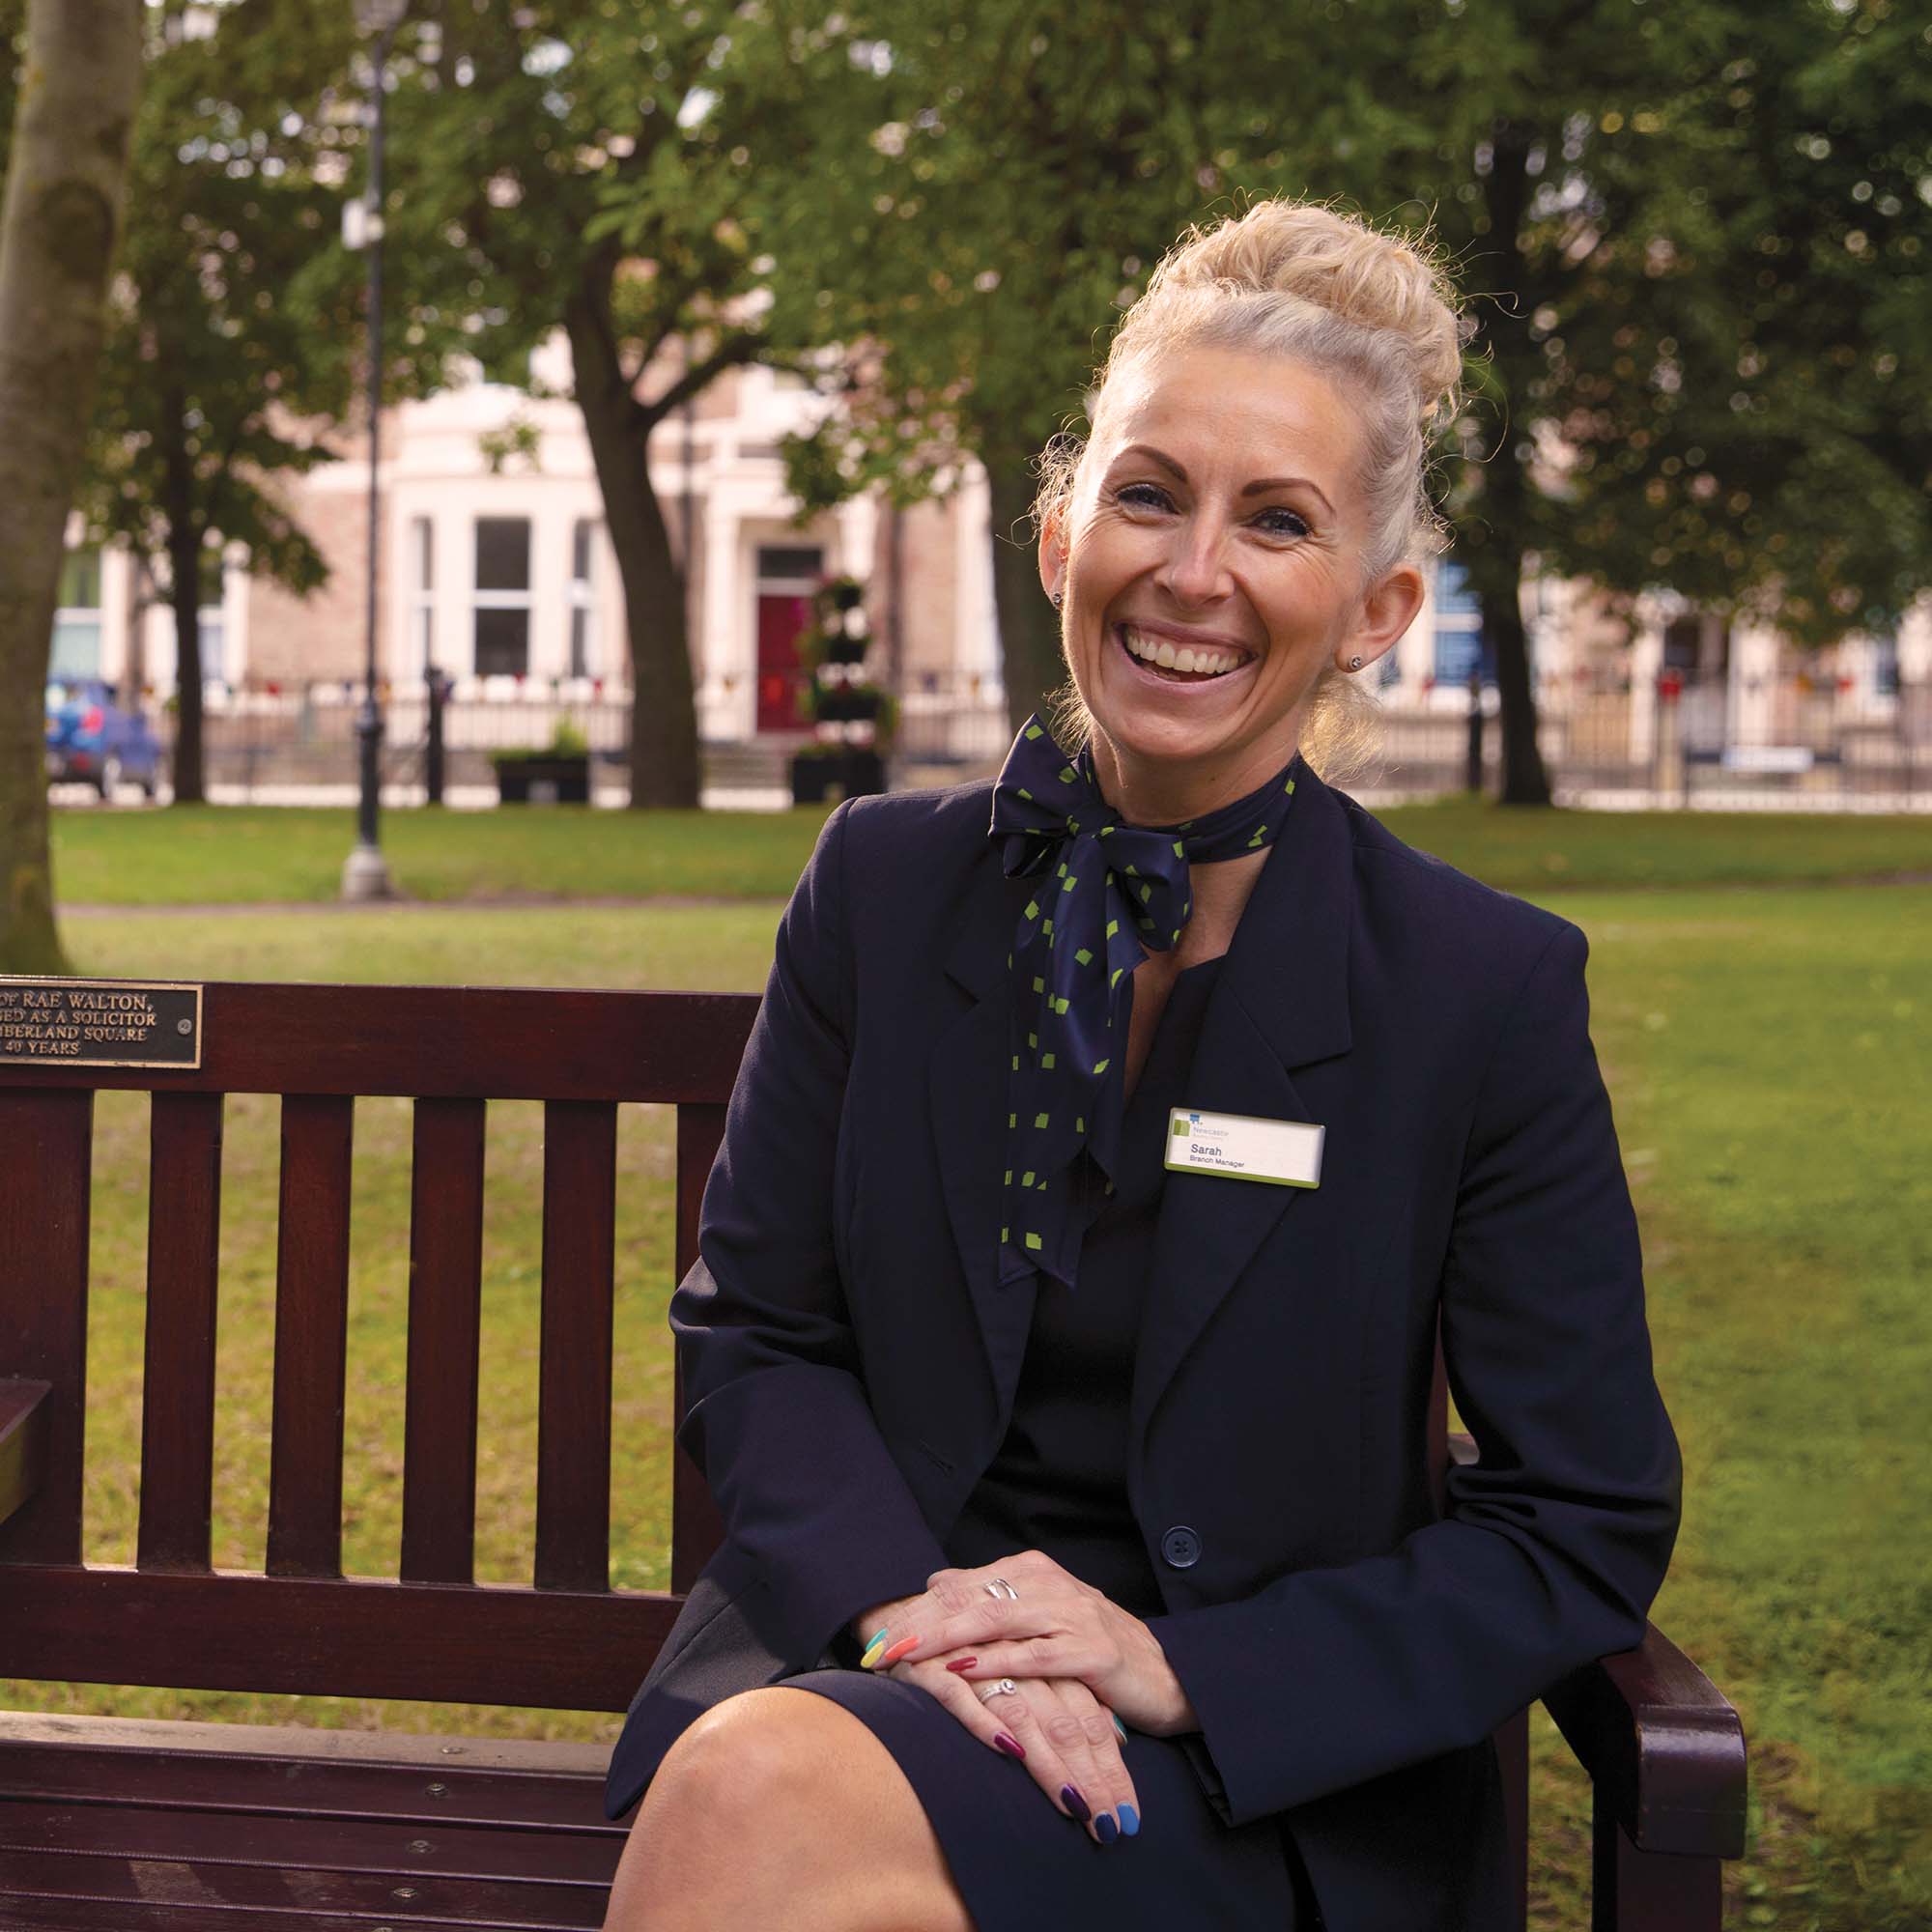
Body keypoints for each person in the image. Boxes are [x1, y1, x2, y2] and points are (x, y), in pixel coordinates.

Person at [599, 198, 1682, 1932]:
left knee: (756, 1800)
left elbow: (1582, 1519)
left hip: (1257, 1775)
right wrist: (917, 1622)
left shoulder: (1478, 990)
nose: (1195, 572)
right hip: (876, 1670)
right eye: (1148, 494)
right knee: (769, 1785)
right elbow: (759, 1332)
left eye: (1278, 522)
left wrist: (1177, 1671)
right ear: (1058, 536)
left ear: (1376, 607)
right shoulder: (883, 891)